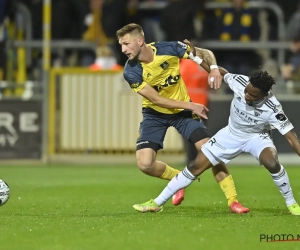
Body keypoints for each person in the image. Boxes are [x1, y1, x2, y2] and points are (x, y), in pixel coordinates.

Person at [132, 40, 300, 215]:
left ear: (265, 95)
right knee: (196, 165)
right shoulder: (241, 82)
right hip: (230, 134)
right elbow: (219, 72)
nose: (247, 96)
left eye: (252, 95)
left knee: (271, 162)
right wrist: (199, 59)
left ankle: (291, 203)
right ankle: (157, 202)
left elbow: (292, 139)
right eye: (247, 92)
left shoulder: (274, 109)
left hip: (256, 137)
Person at [116, 23, 249, 213]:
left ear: (140, 40)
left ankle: (233, 201)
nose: (123, 49)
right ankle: (178, 178)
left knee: (210, 151)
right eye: (121, 45)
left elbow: (204, 53)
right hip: (155, 114)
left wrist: (212, 68)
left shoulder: (168, 48)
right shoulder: (131, 71)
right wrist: (190, 105)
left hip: (183, 114)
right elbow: (157, 99)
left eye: (126, 44)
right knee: (145, 164)